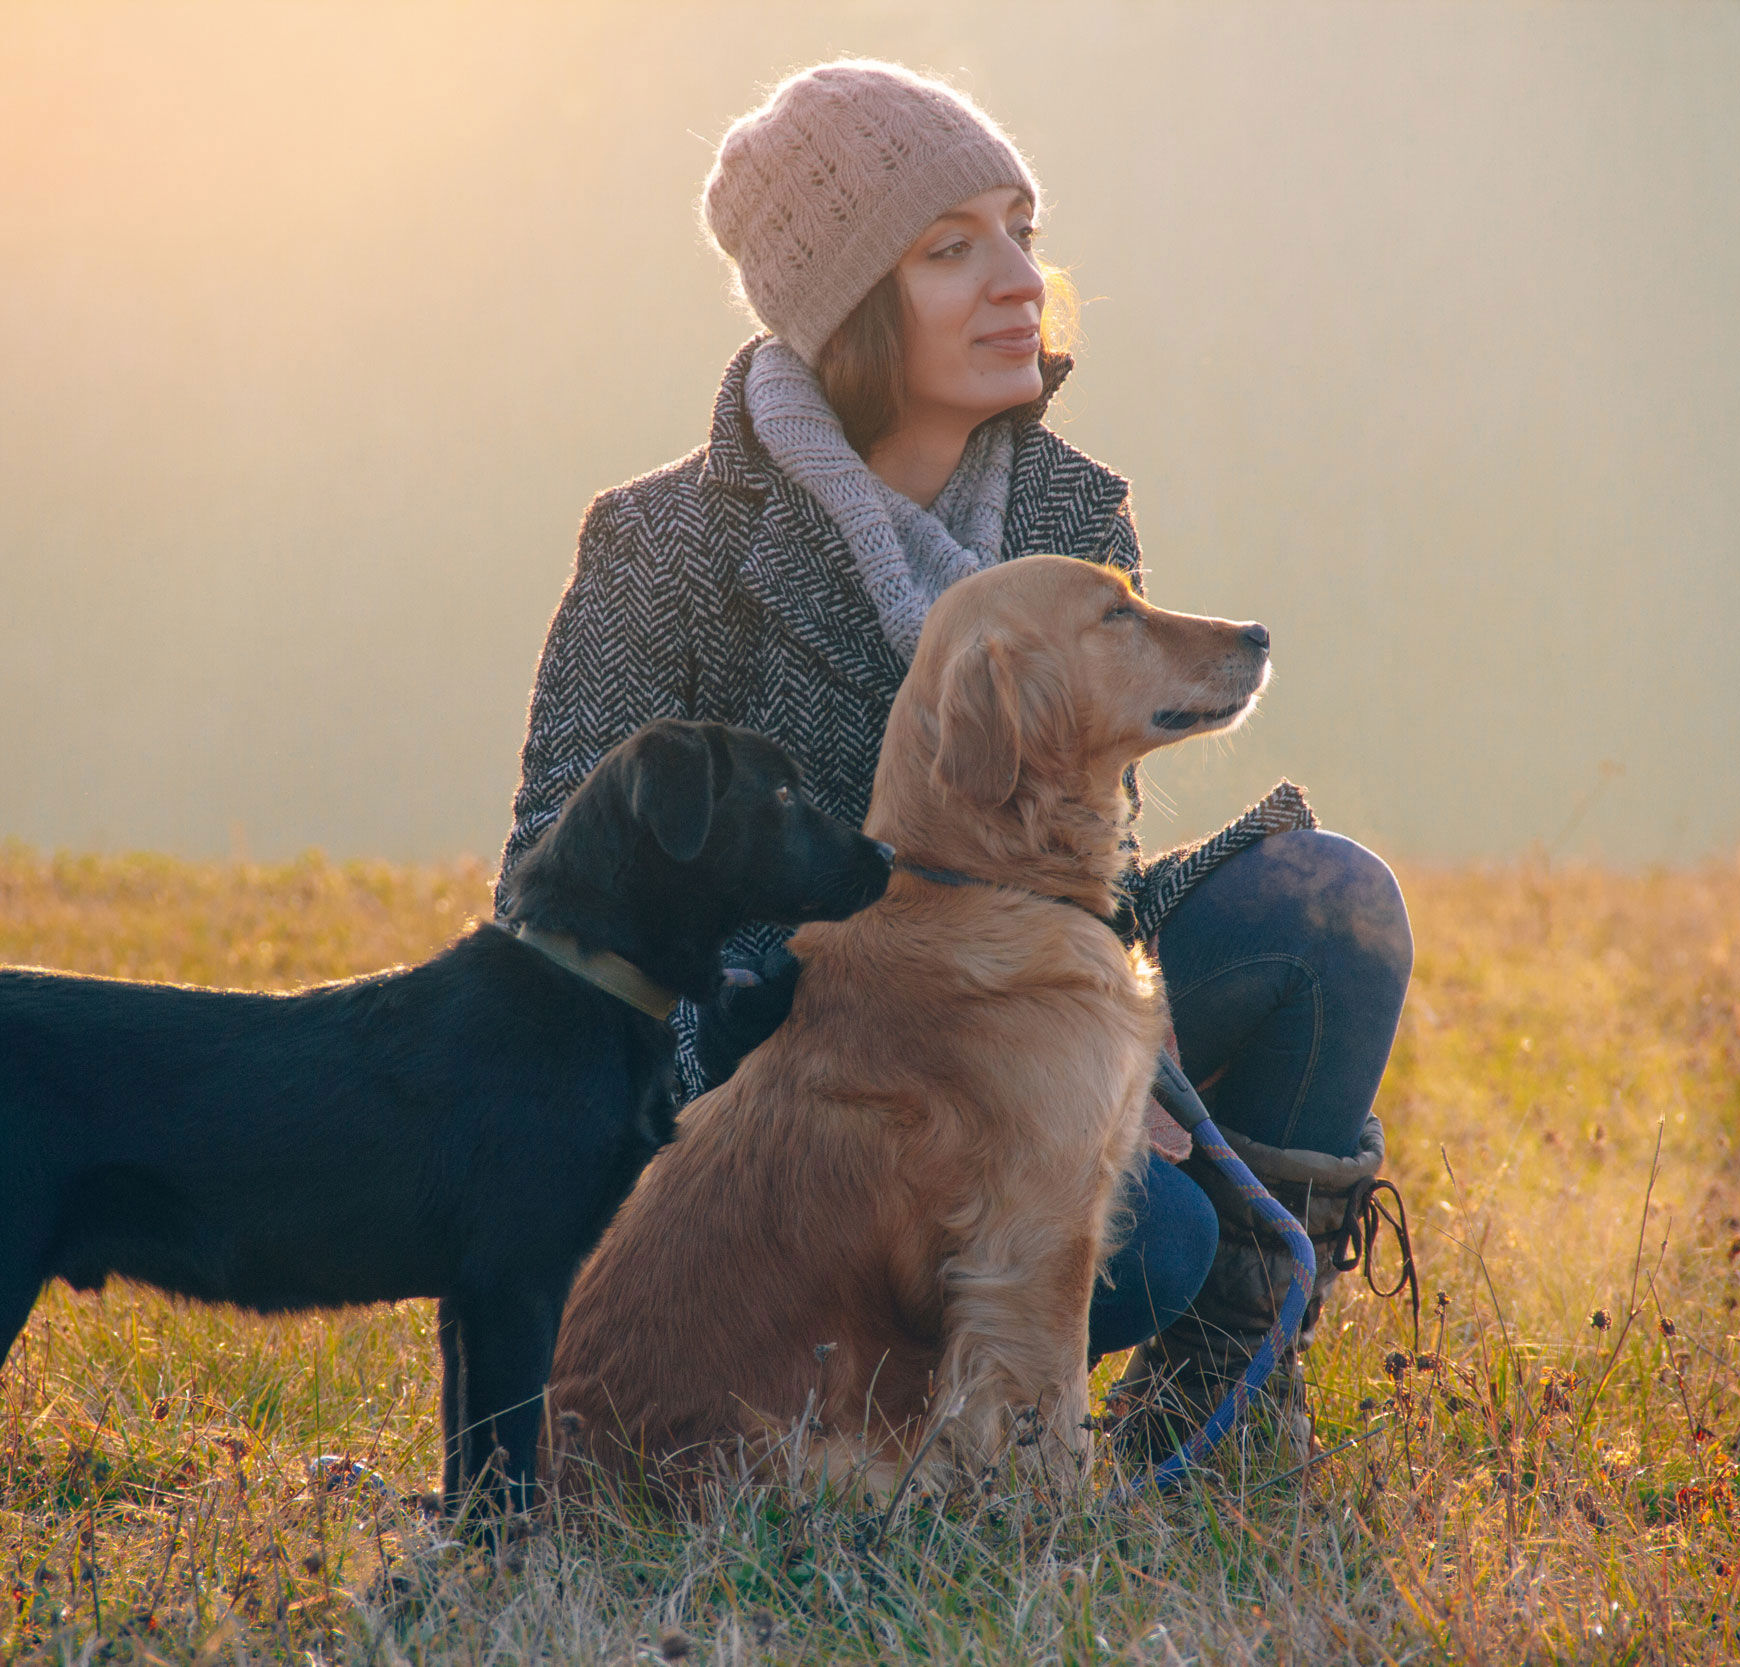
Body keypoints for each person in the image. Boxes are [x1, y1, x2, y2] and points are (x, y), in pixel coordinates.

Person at [496, 60, 1412, 1459]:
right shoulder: (661, 547)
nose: (1018, 281)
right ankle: (918, 1441)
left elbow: (1080, 848)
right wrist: (773, 1025)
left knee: (1326, 909)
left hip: (1016, 999)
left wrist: (1106, 1062)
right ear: (848, 304)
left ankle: (1230, 1389)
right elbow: (548, 915)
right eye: (951, 248)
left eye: (1022, 233)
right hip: (800, 1114)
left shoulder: (1069, 502)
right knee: (1142, 1236)